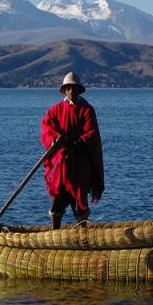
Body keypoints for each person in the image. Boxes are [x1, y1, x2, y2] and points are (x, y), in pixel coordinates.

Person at [41, 72, 104, 228]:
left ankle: (83, 236)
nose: (71, 91)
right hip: (60, 164)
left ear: (78, 90)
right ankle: (54, 234)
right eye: (68, 88)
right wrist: (54, 139)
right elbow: (46, 129)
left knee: (79, 203)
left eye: (73, 88)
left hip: (78, 165)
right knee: (56, 200)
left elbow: (91, 133)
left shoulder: (86, 109)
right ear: (64, 91)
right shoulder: (55, 110)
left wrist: (77, 142)